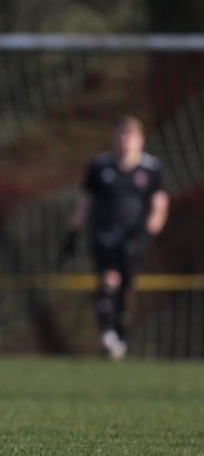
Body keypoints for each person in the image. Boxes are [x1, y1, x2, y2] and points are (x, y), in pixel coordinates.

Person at [65, 116, 169, 359]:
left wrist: (150, 229)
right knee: (108, 279)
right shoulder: (100, 167)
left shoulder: (151, 168)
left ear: (140, 140)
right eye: (121, 135)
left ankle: (119, 334)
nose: (125, 141)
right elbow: (85, 201)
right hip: (104, 235)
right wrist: (73, 232)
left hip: (134, 238)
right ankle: (108, 334)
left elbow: (160, 203)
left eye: (130, 136)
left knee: (127, 287)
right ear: (114, 138)